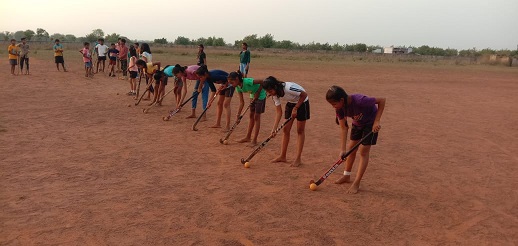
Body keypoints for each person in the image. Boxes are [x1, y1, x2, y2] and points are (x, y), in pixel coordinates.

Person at [326, 85, 386, 194]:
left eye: (334, 104)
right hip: (357, 124)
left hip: (370, 123)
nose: (333, 107)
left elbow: (382, 101)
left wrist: (377, 121)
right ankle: (346, 176)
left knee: (363, 152)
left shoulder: (360, 101)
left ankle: (357, 182)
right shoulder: (339, 108)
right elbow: (344, 128)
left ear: (342, 100)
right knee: (351, 150)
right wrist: (342, 150)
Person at [262, 76, 310, 167]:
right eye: (268, 91)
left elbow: (304, 94)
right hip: (291, 103)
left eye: (270, 91)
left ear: (275, 86)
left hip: (302, 103)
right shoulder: (274, 95)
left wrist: (296, 108)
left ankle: (298, 158)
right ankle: (282, 156)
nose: (269, 93)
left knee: (300, 130)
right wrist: (274, 129)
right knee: (285, 130)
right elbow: (278, 112)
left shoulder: (288, 87)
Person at [228, 70, 267, 144]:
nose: (232, 85)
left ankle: (254, 140)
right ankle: (248, 137)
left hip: (261, 95)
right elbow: (241, 102)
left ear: (237, 79)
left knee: (256, 117)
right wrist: (238, 115)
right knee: (251, 115)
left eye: (232, 82)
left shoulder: (247, 81)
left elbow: (262, 81)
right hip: (252, 95)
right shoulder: (237, 88)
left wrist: (258, 93)